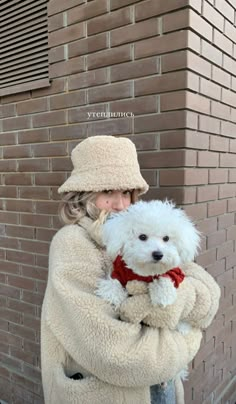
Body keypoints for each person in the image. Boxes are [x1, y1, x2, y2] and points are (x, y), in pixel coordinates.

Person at [41, 135, 219, 404]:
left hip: (162, 389)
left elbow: (209, 294)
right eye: (107, 192)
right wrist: (186, 342)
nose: (121, 204)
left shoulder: (147, 230)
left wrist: (177, 301)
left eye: (126, 192)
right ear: (84, 195)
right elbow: (115, 354)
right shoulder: (72, 243)